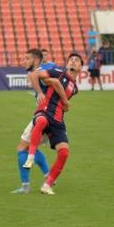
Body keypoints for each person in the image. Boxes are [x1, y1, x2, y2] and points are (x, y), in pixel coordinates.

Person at [23, 53, 83, 195]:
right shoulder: (57, 72)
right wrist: (40, 92)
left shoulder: (75, 89)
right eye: (71, 60)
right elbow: (34, 75)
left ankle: (47, 185)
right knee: (41, 121)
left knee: (64, 152)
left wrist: (56, 89)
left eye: (77, 61)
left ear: (81, 67)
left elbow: (59, 93)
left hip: (58, 120)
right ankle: (30, 156)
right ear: (67, 64)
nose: (73, 62)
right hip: (44, 110)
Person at [11, 49, 62, 195]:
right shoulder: (41, 73)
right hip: (48, 117)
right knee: (29, 147)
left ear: (35, 60)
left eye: (27, 58)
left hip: (44, 118)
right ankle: (46, 175)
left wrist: (41, 93)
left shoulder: (42, 73)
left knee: (22, 149)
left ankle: (26, 186)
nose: (23, 61)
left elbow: (54, 82)